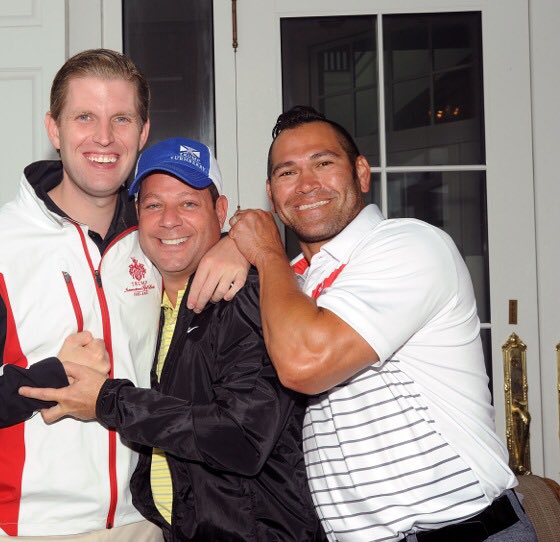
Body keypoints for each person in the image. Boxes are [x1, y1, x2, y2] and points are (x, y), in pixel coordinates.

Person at [0, 49, 247, 541]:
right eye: (84, 117)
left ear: (143, 132)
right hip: (21, 529)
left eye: (121, 119)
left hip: (144, 523)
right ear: (54, 129)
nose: (104, 137)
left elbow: (217, 228)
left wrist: (241, 241)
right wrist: (48, 378)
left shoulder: (158, 239)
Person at [228, 106, 538, 542]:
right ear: (271, 194)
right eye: (287, 172)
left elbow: (305, 362)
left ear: (361, 172)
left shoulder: (409, 245)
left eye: (323, 163)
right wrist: (230, 248)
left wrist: (263, 252)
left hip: (464, 531)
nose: (306, 184)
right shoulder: (291, 283)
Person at [20, 137, 325, 542]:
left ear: (220, 211)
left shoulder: (245, 296)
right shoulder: (148, 300)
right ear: (137, 215)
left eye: (188, 204)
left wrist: (107, 400)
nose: (169, 220)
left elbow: (241, 438)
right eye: (153, 205)